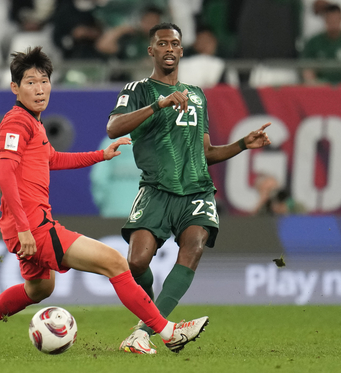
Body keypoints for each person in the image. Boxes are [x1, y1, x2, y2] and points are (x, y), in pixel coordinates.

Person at [0, 46, 208, 354]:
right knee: (114, 262)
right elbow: (4, 173)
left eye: (44, 80)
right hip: (32, 226)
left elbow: (52, 158)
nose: (40, 88)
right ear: (14, 88)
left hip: (28, 226)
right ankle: (168, 333)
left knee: (40, 288)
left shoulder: (32, 122)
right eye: (30, 82)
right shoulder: (16, 122)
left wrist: (101, 155)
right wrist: (23, 228)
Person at [105, 22, 271, 354]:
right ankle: (154, 317)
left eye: (175, 44)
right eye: (162, 43)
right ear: (151, 51)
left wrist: (241, 144)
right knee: (136, 262)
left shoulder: (197, 95)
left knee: (194, 246)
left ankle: (143, 332)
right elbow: (113, 128)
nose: (169, 48)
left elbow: (206, 153)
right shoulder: (137, 89)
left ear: (181, 51)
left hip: (196, 190)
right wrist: (159, 105)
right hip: (155, 189)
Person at [301, 4, 341, 85]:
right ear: (325, 19)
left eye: (335, 19)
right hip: (320, 89)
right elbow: (307, 72)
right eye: (330, 19)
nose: (333, 23)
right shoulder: (313, 42)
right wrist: (320, 86)